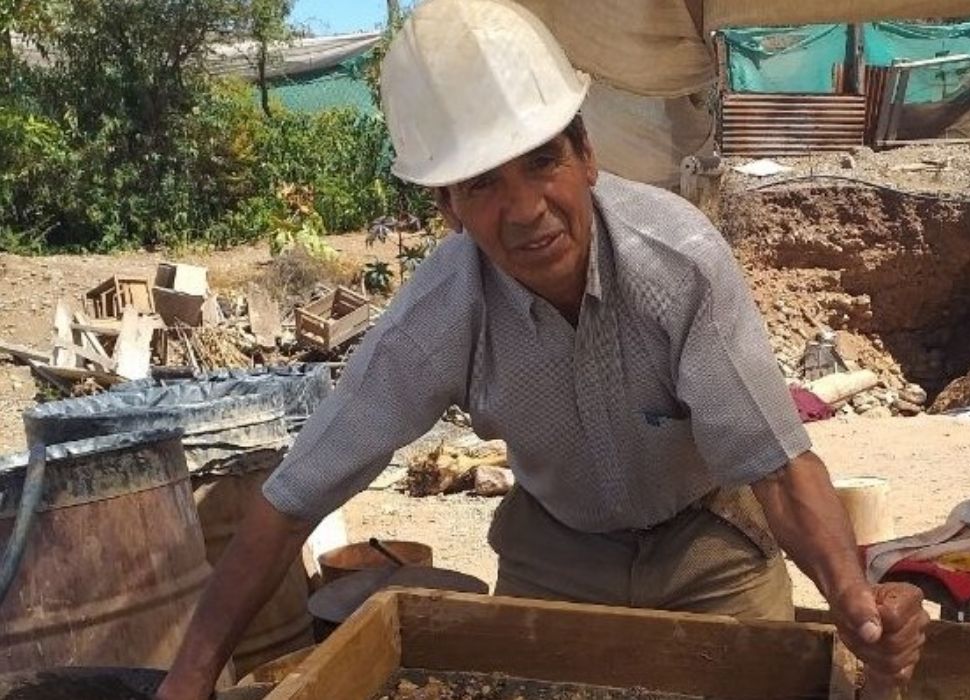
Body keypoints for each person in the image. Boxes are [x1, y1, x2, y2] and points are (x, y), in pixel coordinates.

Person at [156, 1, 926, 697]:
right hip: (557, 557)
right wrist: (189, 679)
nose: (525, 210)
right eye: (482, 184)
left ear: (586, 154)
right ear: (449, 207)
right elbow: (293, 500)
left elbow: (778, 470)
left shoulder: (679, 265)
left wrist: (855, 603)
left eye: (541, 161)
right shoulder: (439, 315)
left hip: (710, 546)